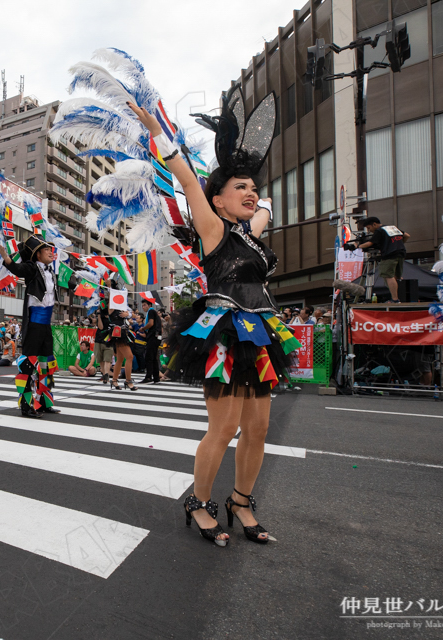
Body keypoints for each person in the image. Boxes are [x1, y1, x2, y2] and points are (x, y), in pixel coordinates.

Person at [130, 86, 298, 548]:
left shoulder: (253, 233)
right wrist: (156, 130)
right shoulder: (213, 227)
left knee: (259, 427)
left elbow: (264, 209)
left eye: (254, 188)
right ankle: (199, 501)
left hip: (260, 331)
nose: (251, 193)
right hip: (224, 333)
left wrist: (251, 182)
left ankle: (241, 500)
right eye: (239, 188)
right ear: (218, 201)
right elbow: (186, 179)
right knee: (223, 428)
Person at [0, 235, 62, 418]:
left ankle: (44, 402)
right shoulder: (33, 269)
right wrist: (5, 255)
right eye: (46, 249)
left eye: (51, 249)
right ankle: (26, 406)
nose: (50, 251)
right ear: (38, 255)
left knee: (46, 365)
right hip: (33, 324)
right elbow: (17, 269)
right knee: (27, 366)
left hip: (46, 325)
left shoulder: (51, 271)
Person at [355, 217, 410, 303]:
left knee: (388, 275)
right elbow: (407, 235)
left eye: (369, 228)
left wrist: (357, 246)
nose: (369, 231)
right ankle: (401, 297)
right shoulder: (392, 228)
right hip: (401, 253)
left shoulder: (379, 230)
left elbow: (370, 243)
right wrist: (399, 243)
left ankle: (395, 299)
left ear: (374, 224)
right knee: (397, 276)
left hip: (389, 255)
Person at [108, 305, 139, 391]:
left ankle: (114, 380)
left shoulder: (122, 306)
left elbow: (134, 315)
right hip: (118, 333)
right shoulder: (112, 306)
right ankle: (128, 381)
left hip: (123, 333)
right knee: (129, 357)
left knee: (120, 358)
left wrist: (127, 313)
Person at [140, 298, 163, 384]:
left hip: (153, 336)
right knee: (153, 358)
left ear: (149, 305)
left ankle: (148, 376)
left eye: (145, 305)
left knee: (149, 357)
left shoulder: (151, 311)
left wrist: (143, 328)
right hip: (157, 337)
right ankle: (156, 377)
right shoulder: (155, 313)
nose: (143, 307)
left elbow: (151, 323)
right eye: (142, 305)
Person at [93, 298, 114, 383]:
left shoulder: (114, 314)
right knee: (100, 358)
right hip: (99, 338)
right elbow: (100, 327)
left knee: (107, 359)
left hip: (109, 339)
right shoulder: (101, 314)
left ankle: (106, 375)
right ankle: (104, 374)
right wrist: (98, 315)